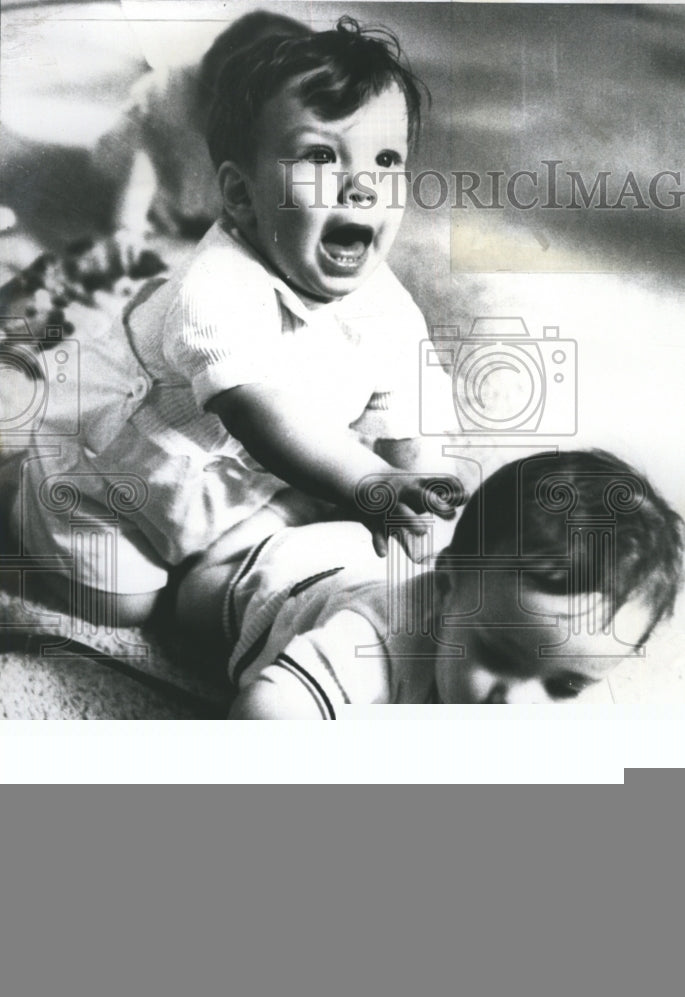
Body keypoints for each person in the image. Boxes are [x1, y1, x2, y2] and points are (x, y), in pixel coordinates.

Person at [13, 18, 457, 628]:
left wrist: (423, 487)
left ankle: (224, 552)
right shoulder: (215, 284)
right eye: (322, 156)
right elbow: (258, 409)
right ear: (242, 196)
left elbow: (413, 406)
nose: (362, 187)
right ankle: (17, 503)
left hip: (221, 492)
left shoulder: (388, 308)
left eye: (387, 159)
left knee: (303, 501)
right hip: (107, 489)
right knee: (126, 605)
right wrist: (369, 480)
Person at [217, 450, 684, 717]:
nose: (515, 706)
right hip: (285, 576)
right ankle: (283, 508)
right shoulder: (373, 645)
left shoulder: (561, 651)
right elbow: (265, 710)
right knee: (186, 598)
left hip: (367, 558)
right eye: (498, 656)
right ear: (446, 589)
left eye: (564, 687)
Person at [92, 11, 313, 267]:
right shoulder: (174, 88)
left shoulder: (300, 119)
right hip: (160, 169)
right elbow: (144, 150)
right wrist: (129, 225)